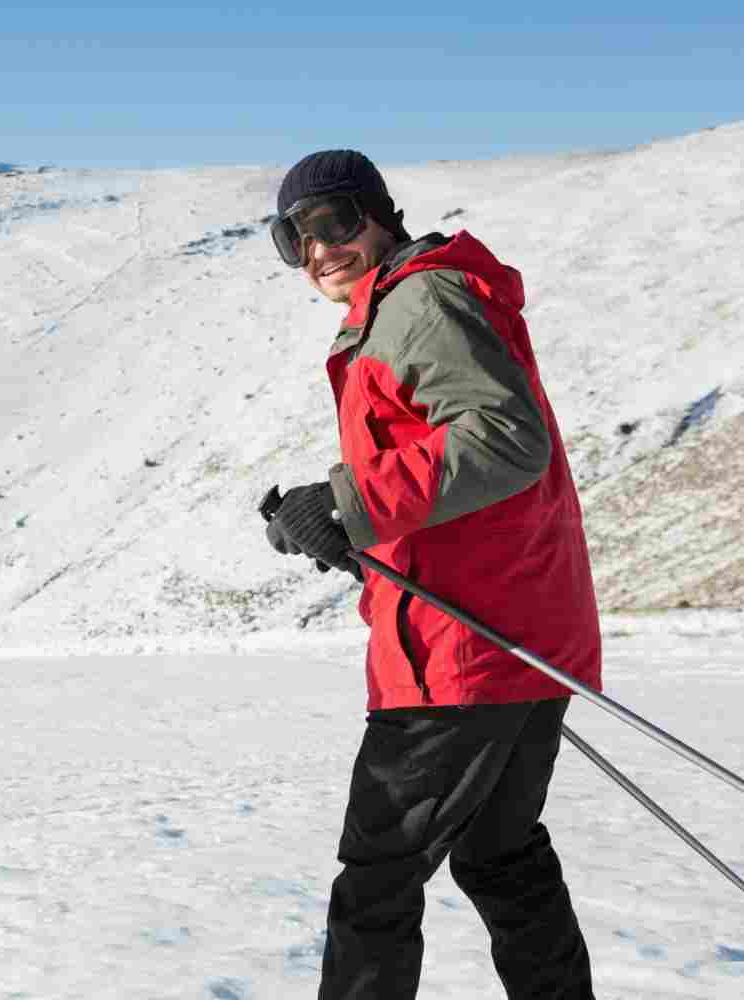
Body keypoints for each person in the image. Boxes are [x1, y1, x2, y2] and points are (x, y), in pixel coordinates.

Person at [261, 150, 600, 999]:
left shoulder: (421, 297)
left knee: (377, 879)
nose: (316, 251)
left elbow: (503, 440)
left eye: (332, 223)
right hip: (512, 628)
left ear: (378, 212)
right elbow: (451, 469)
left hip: (460, 653)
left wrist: (349, 506)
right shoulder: (406, 304)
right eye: (290, 238)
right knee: (498, 853)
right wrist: (360, 540)